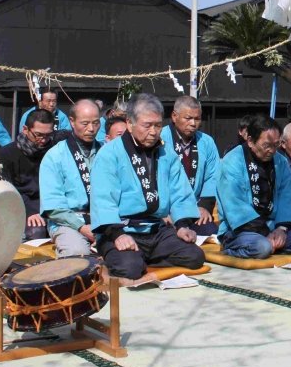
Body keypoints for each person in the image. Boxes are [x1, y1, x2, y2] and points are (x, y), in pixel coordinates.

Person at [90, 93, 205, 280]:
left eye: (158, 125)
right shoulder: (109, 154)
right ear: (129, 123)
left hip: (156, 230)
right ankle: (131, 258)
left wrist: (182, 224)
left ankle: (142, 258)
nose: (153, 131)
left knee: (195, 257)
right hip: (121, 230)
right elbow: (103, 199)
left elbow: (179, 191)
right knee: (130, 269)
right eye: (147, 125)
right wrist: (117, 234)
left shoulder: (166, 152)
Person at [216, 116, 291, 259]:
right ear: (250, 141)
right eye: (267, 145)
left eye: (276, 145)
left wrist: (281, 229)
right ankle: (231, 248)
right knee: (262, 246)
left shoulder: (280, 161)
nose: (272, 150)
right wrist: (265, 233)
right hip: (240, 229)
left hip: (272, 225)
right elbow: (235, 205)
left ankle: (272, 245)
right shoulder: (232, 161)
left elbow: (286, 197)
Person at [39, 100, 102, 258]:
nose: (91, 129)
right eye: (85, 123)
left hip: (104, 219)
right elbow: (53, 207)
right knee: (77, 253)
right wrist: (81, 227)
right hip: (69, 222)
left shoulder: (107, 152)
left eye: (96, 123)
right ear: (72, 121)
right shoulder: (55, 156)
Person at [161, 96, 220, 236]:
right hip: (165, 212)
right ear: (174, 116)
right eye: (188, 118)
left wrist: (204, 206)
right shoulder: (160, 138)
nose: (193, 123)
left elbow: (213, 176)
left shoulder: (206, 142)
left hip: (194, 210)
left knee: (210, 233)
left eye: (197, 118)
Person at [0, 109, 55, 241]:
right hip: (21, 206)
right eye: (38, 135)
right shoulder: (7, 154)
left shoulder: (55, 151)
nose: (43, 140)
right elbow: (7, 191)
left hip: (50, 204)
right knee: (36, 231)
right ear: (25, 129)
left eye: (48, 135)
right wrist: (30, 212)